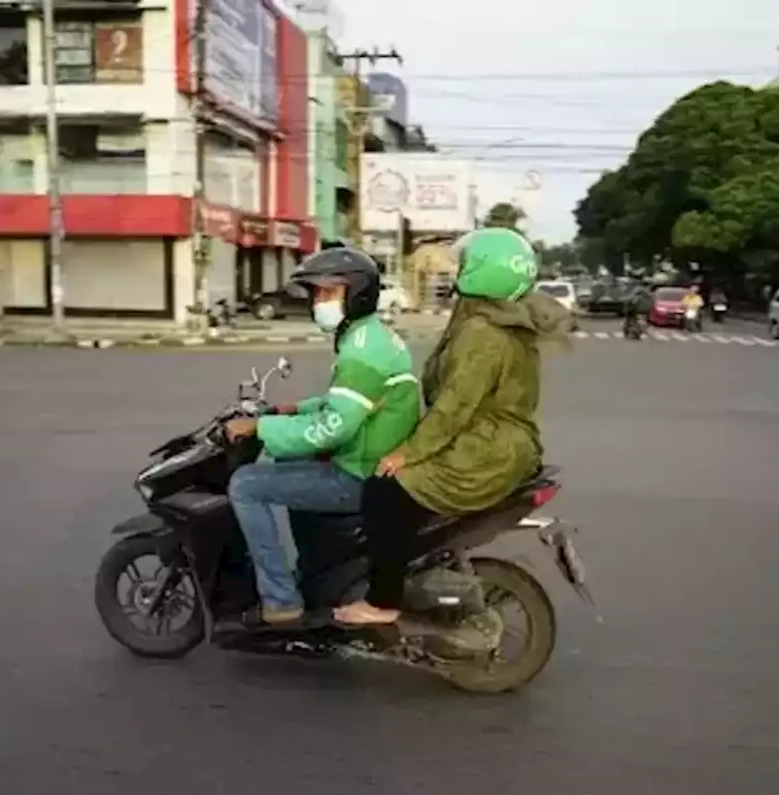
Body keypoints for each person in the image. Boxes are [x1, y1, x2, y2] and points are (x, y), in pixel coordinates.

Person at [334, 227, 572, 626]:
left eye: (464, 263)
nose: (457, 269)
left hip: (484, 451)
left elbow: (454, 407)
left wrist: (407, 453)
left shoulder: (484, 334)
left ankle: (383, 600)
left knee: (384, 492)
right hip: (497, 443)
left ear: (481, 272)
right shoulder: (500, 320)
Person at [221, 247, 419, 627]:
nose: (319, 302)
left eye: (329, 293)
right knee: (288, 462)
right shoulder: (369, 336)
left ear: (357, 294)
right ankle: (315, 572)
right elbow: (348, 404)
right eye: (316, 294)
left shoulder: (361, 352)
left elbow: (335, 427)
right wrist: (294, 408)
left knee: (246, 485)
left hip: (358, 473)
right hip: (367, 456)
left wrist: (260, 427)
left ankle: (280, 601)